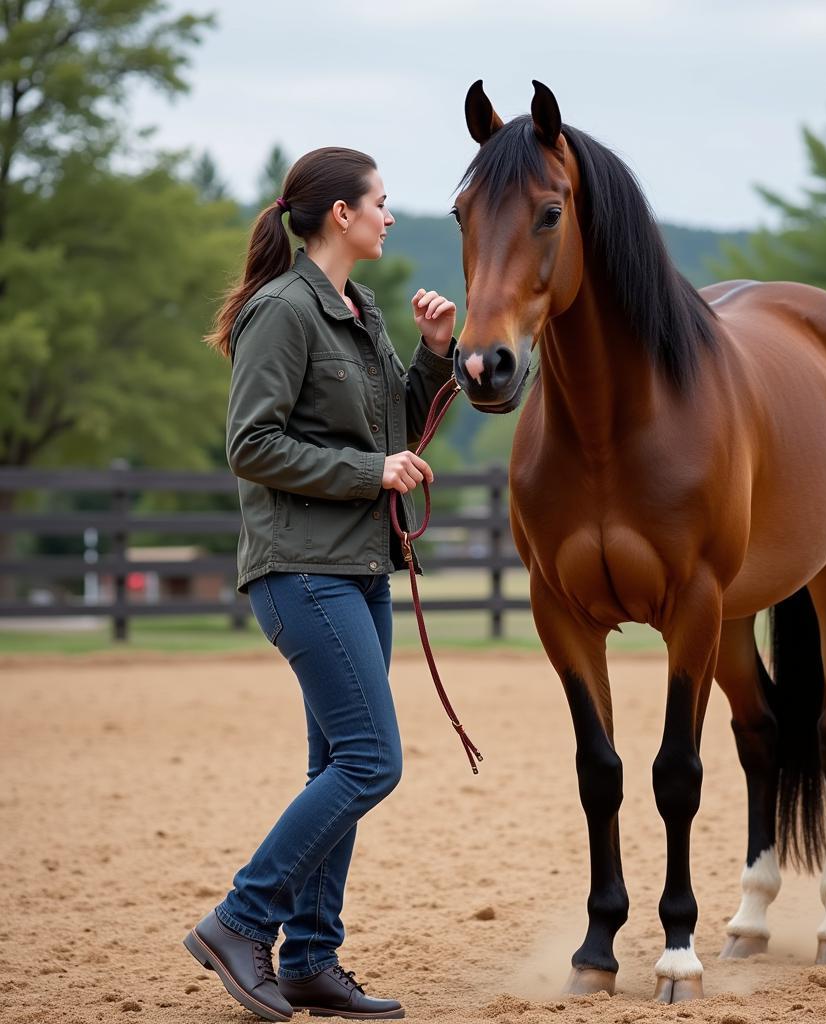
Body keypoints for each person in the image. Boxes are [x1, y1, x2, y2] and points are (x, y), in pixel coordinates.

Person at [183, 146, 458, 1022]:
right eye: (379, 201)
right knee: (372, 762)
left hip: (357, 569)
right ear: (340, 214)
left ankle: (307, 958)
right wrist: (367, 473)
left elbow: (395, 429)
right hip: (300, 570)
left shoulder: (356, 307)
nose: (387, 213)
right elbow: (251, 446)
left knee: (337, 762)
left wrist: (435, 354)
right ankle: (240, 921)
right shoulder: (282, 311)